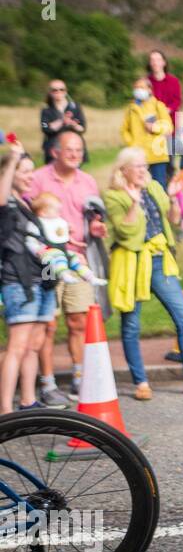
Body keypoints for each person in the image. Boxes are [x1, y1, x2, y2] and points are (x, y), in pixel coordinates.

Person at [104, 147, 183, 399]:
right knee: (131, 324)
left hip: (159, 259)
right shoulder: (113, 196)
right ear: (123, 169)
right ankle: (141, 383)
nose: (143, 170)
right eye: (137, 166)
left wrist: (171, 198)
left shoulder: (154, 188)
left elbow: (172, 219)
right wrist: (133, 202)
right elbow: (127, 231)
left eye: (144, 166)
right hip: (132, 261)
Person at [25, 130, 105, 403]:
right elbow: (26, 218)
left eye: (79, 150)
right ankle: (47, 384)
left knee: (78, 321)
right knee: (47, 324)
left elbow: (93, 216)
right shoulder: (37, 179)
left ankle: (79, 378)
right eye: (69, 149)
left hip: (78, 260)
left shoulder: (88, 181)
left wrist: (95, 227)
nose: (75, 155)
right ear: (55, 151)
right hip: (45, 261)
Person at [0, 140, 58, 412]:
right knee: (18, 346)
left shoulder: (24, 205)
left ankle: (27, 401)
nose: (30, 176)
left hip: (40, 282)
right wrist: (11, 159)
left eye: (31, 171)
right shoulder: (7, 204)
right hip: (18, 282)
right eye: (24, 171)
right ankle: (5, 411)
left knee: (34, 345)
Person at [24, 193, 105, 288]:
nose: (60, 213)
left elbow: (63, 238)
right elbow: (30, 240)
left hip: (61, 252)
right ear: (43, 212)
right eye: (56, 210)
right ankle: (64, 274)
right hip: (48, 253)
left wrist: (70, 235)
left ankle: (90, 278)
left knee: (75, 258)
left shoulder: (57, 221)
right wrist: (37, 250)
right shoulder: (36, 224)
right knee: (58, 258)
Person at [121, 77, 174, 187]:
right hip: (138, 156)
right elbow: (124, 130)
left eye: (141, 87)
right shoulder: (131, 108)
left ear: (149, 89)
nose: (138, 90)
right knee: (139, 186)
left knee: (159, 186)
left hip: (157, 155)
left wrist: (154, 127)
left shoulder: (158, 105)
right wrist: (131, 144)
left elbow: (168, 126)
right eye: (136, 88)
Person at [39, 80, 86, 163]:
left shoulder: (75, 107)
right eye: (55, 90)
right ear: (50, 92)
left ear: (66, 91)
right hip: (53, 150)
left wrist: (73, 125)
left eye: (61, 89)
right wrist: (62, 121)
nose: (58, 92)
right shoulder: (46, 110)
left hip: (73, 149)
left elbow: (83, 128)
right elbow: (45, 128)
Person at [146, 50, 183, 140]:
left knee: (170, 151)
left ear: (164, 62)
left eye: (158, 60)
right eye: (152, 60)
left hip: (170, 122)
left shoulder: (174, 81)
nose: (155, 63)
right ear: (150, 63)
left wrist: (166, 110)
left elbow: (177, 101)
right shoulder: (146, 82)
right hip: (152, 123)